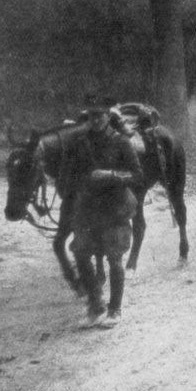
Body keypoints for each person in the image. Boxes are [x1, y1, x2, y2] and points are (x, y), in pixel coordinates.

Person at [62, 97, 143, 327]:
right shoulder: (80, 142)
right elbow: (71, 173)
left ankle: (114, 309)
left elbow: (137, 176)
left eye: (100, 116)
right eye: (91, 116)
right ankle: (95, 304)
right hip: (88, 208)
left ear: (109, 116)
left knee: (114, 257)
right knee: (80, 252)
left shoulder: (121, 142)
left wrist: (111, 175)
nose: (96, 120)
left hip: (114, 207)